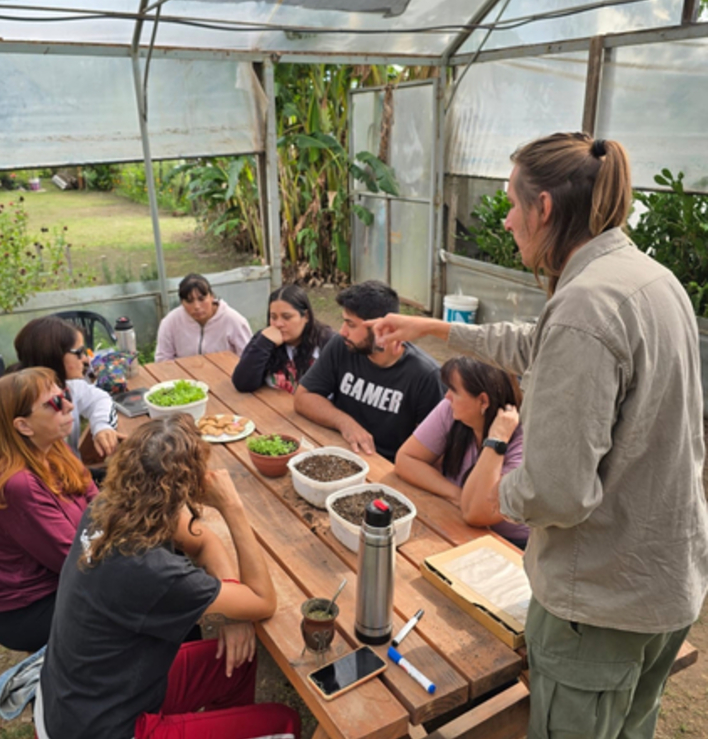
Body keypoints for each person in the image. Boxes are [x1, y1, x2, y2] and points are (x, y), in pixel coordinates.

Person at [371, 132, 708, 739]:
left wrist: (487, 493)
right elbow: (540, 345)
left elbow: (559, 492)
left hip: (599, 605)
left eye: (510, 203)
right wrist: (435, 328)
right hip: (665, 583)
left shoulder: (586, 306)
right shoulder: (646, 279)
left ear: (544, 208)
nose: (506, 218)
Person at [35, 414, 300, 739]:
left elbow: (203, 542)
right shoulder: (153, 571)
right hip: (102, 728)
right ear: (187, 489)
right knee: (284, 721)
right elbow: (263, 600)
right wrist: (232, 507)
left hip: (81, 695)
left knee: (238, 663)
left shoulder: (111, 504)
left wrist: (233, 610)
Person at [0, 367, 97, 652]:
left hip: (64, 576)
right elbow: (79, 563)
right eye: (55, 403)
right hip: (27, 609)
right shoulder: (17, 485)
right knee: (144, 611)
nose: (69, 405)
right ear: (23, 426)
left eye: (64, 395)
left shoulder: (55, 449)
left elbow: (99, 504)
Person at [294, 280, 444, 462]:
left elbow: (434, 453)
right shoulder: (343, 346)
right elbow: (303, 397)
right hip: (341, 450)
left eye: (351, 324)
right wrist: (345, 423)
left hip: (388, 468)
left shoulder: (426, 375)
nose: (342, 332)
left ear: (385, 328)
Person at [0, 315, 120, 485]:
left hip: (68, 478)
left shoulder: (69, 386)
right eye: (79, 353)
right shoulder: (12, 405)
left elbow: (100, 399)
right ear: (54, 356)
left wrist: (102, 426)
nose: (87, 359)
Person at [395, 357, 528, 549]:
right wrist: (458, 496)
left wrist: (496, 440)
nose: (446, 396)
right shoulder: (453, 410)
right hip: (455, 519)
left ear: (483, 401)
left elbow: (477, 513)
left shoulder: (524, 443)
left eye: (454, 391)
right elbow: (406, 459)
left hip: (509, 544)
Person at [232, 284, 334, 394]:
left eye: (286, 317)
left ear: (306, 316)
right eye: (273, 317)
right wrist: (264, 343)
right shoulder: (265, 339)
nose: (278, 324)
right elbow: (242, 383)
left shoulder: (327, 343)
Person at [155, 273, 252, 360]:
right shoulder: (170, 322)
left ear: (212, 296)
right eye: (189, 301)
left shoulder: (234, 320)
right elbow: (163, 360)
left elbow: (249, 359)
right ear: (182, 302)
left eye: (201, 299)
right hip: (184, 378)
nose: (196, 306)